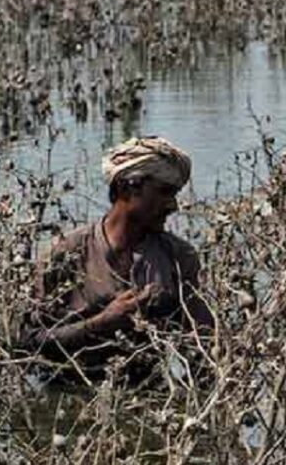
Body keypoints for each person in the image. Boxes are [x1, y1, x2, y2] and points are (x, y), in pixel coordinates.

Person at [18, 136, 213, 382]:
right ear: (127, 188)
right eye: (164, 192)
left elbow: (204, 346)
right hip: (72, 392)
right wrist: (102, 322)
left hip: (146, 397)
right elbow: (28, 342)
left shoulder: (178, 257)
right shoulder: (68, 253)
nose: (173, 205)